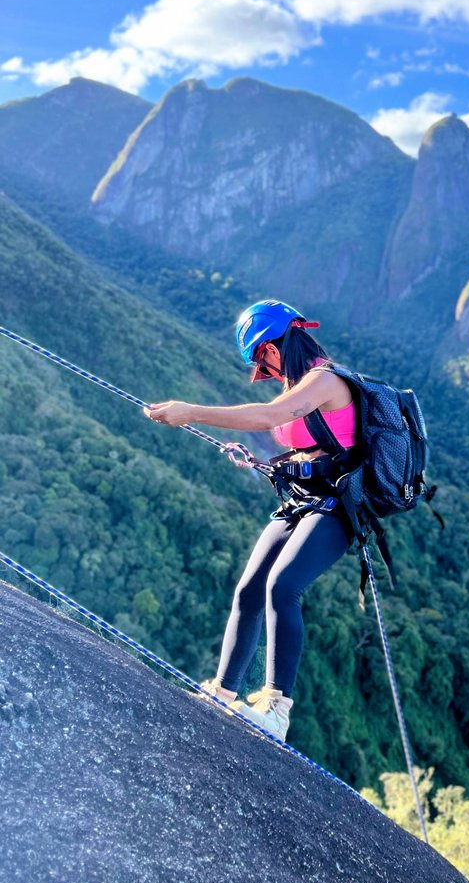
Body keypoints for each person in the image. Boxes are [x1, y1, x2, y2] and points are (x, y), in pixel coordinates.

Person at [144, 300, 357, 741]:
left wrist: (192, 412)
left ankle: (276, 712)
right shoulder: (298, 386)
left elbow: (267, 417)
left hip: (338, 506)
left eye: (262, 358)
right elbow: (306, 444)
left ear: (278, 344)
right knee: (249, 589)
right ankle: (223, 692)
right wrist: (267, 463)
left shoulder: (325, 381)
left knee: (283, 586)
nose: (266, 369)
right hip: (303, 498)